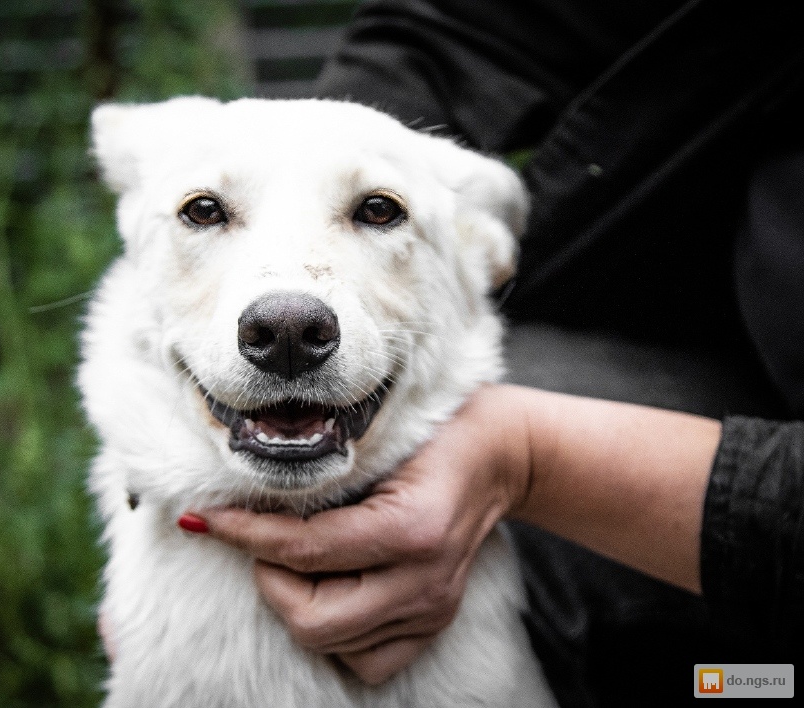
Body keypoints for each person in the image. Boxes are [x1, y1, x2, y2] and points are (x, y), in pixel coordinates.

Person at [179, 1, 804, 705]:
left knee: (732, 689)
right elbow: (470, 29)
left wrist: (530, 462)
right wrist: (340, 184)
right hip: (731, 356)